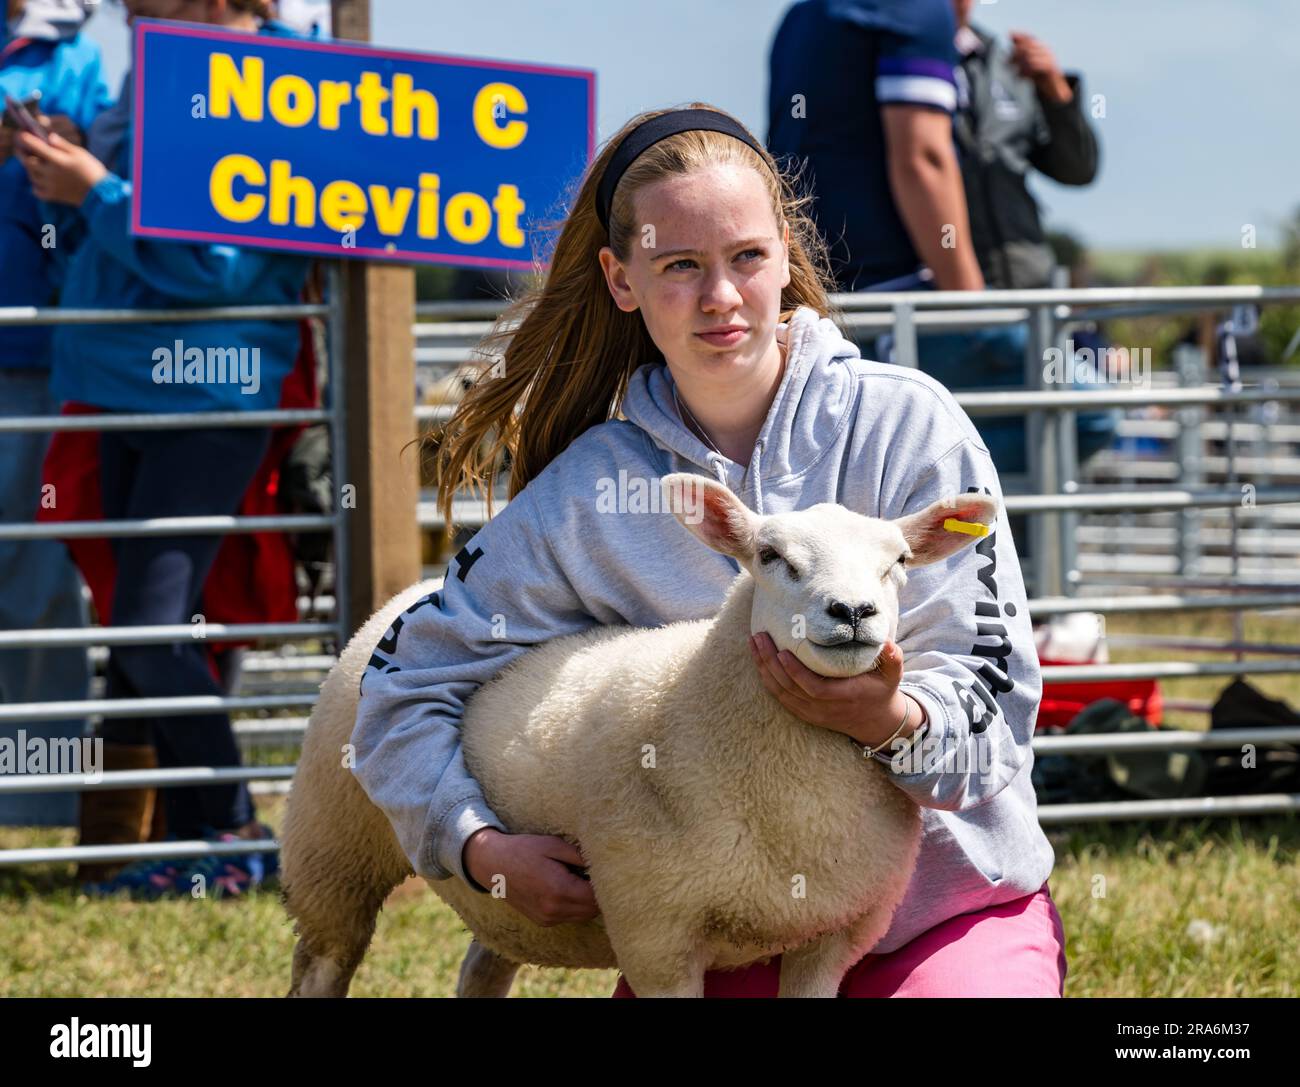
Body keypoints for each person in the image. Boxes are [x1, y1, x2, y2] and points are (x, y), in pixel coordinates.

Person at [351, 103, 1066, 996]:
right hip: (719, 929)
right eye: (679, 265)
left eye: (747, 259)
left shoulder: (909, 428)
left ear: (783, 258)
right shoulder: (590, 495)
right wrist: (473, 842)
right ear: (621, 278)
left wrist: (889, 721)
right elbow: (403, 681)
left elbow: (997, 705)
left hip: (942, 909)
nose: (720, 297)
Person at [14, 0, 314, 896]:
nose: (130, 10)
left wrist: (91, 189)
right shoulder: (158, 67)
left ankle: (233, 831)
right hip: (119, 380)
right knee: (148, 623)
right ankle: (195, 846)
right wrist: (69, 170)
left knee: (153, 623)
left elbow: (217, 262)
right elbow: (118, 240)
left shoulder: (276, 87)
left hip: (208, 393)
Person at [0, 0, 111, 826]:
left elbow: (88, 209)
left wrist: (59, 158)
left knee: (36, 583)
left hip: (28, 357)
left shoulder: (70, 54)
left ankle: (35, 809)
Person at [767, 0, 983, 292]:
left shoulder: (799, 16)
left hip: (806, 290)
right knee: (1021, 335)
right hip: (891, 289)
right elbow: (923, 161)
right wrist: (967, 296)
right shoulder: (914, 10)